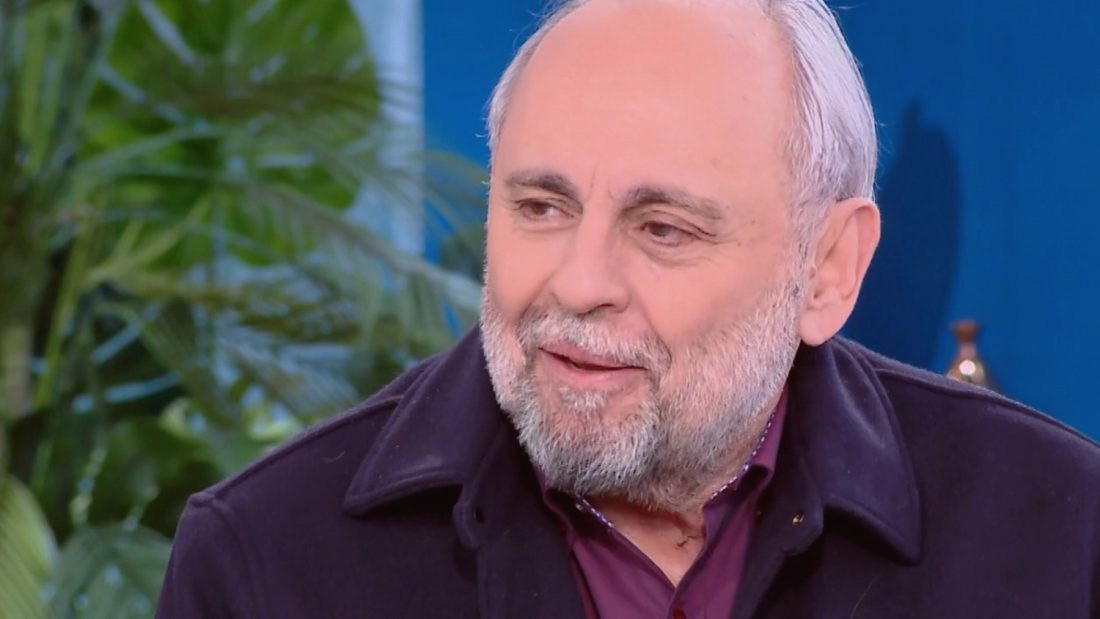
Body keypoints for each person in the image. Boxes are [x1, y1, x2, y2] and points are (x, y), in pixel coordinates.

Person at [156, 0, 1100, 617]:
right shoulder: (266, 561)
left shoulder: (1058, 536)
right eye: (541, 207)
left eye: (663, 228)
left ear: (826, 270)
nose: (578, 282)